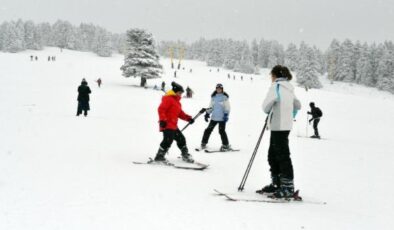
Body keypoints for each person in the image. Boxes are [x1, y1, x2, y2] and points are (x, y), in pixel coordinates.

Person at [257, 65, 301, 198]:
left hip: (277, 125)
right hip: (285, 126)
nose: (271, 78)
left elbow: (265, 107)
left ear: (275, 75)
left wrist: (274, 110)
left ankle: (287, 187)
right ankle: (278, 183)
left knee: (280, 155)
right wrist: (290, 114)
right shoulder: (289, 88)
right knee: (276, 154)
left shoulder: (276, 86)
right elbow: (297, 105)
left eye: (271, 75)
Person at [154, 82, 195, 163]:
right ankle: (159, 156)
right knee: (167, 141)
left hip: (173, 125)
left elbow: (180, 113)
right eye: (180, 92)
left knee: (181, 139)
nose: (181, 94)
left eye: (181, 93)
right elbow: (161, 109)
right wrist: (162, 120)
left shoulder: (176, 102)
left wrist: (188, 118)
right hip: (166, 124)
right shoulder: (168, 99)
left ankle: (185, 154)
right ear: (175, 92)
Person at [200, 83, 231, 151]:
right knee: (208, 130)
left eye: (220, 89)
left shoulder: (224, 97)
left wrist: (226, 115)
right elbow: (211, 107)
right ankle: (203, 143)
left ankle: (226, 145)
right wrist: (207, 114)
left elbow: (227, 107)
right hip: (214, 117)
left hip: (222, 118)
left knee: (221, 131)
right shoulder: (213, 97)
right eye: (217, 88)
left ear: (222, 89)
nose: (218, 90)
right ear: (216, 89)